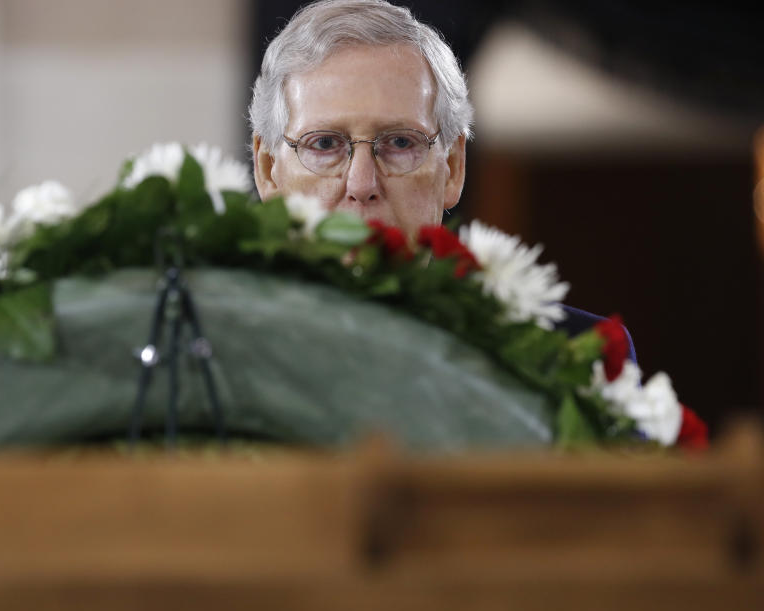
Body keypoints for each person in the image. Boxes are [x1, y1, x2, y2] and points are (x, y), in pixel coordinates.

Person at [248, 0, 635, 356]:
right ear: (268, 171)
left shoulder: (573, 356)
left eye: (400, 142)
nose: (362, 184)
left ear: (453, 168)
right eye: (325, 144)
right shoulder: (202, 349)